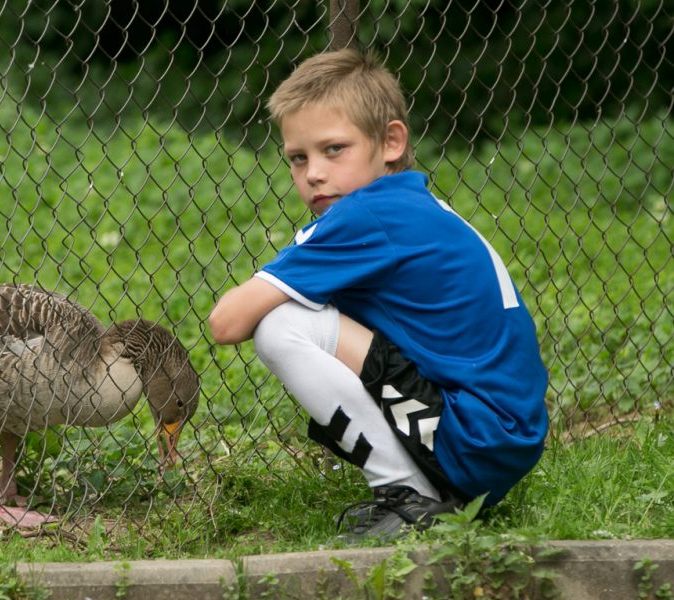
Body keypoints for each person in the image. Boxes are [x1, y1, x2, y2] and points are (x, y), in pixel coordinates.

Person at [208, 48, 549, 541]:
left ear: (390, 142)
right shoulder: (407, 203)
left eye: (333, 149)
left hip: (474, 438)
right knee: (306, 307)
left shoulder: (366, 216)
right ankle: (423, 488)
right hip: (499, 437)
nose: (314, 174)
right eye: (298, 158)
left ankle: (409, 497)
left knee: (281, 325)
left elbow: (226, 323)